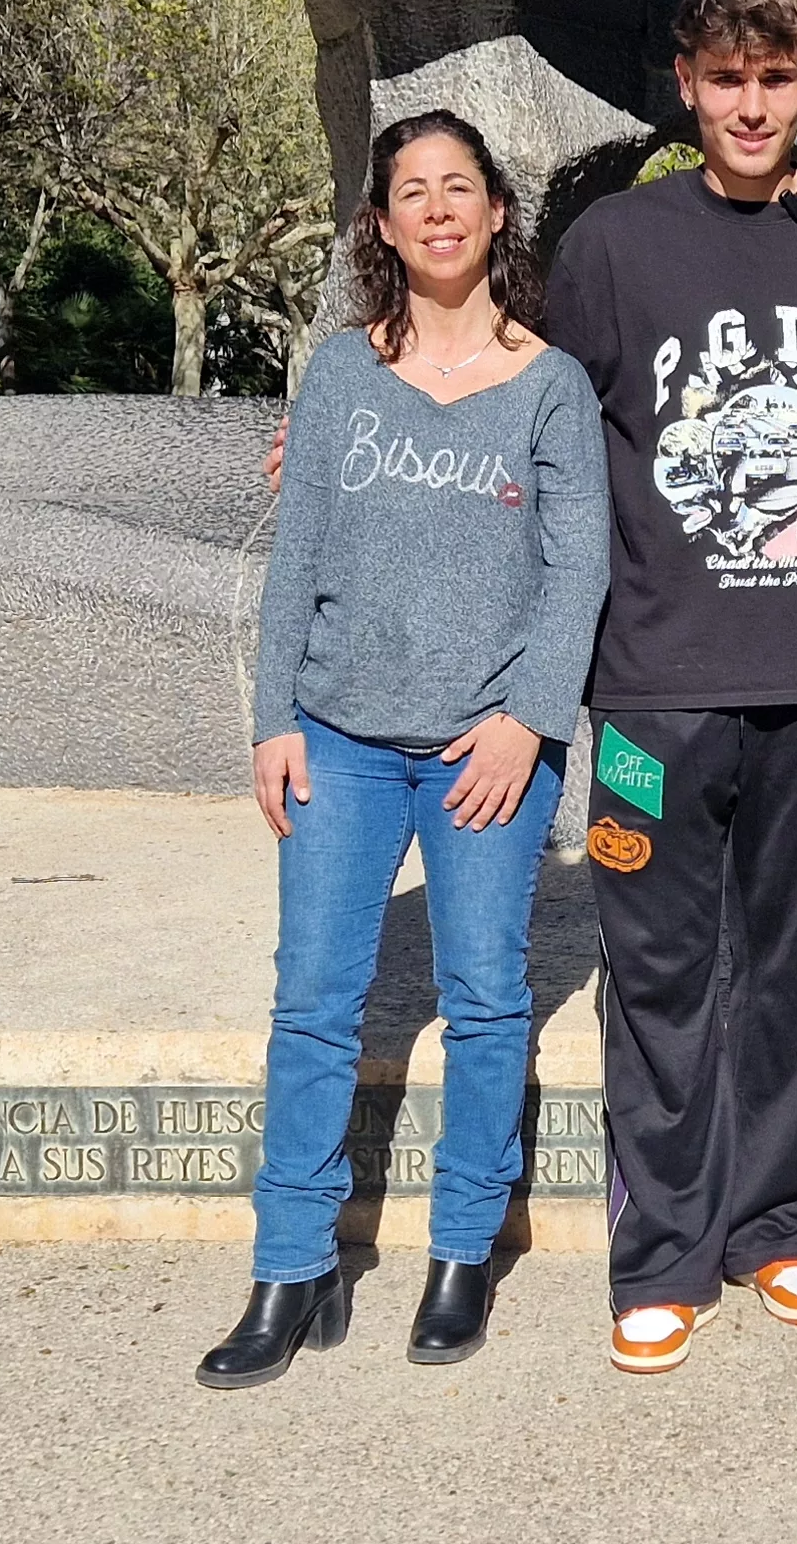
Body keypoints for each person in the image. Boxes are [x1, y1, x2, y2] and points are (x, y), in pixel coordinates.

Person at [550, 0, 797, 1374]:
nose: (751, 104)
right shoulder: (614, 246)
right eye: (726, 78)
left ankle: (784, 1229)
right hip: (651, 682)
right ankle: (662, 1250)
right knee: (653, 968)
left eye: (776, 78)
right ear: (686, 86)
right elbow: (539, 416)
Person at [202, 110, 609, 1389]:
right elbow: (298, 557)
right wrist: (273, 716)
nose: (438, 209)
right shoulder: (337, 375)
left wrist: (527, 719)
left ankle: (461, 1251)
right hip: (339, 739)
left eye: (461, 188)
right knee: (313, 1001)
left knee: (488, 1001)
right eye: (412, 192)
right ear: (381, 225)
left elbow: (577, 569)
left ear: (497, 214)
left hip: (486, 746)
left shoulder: (550, 382)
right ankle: (290, 1263)